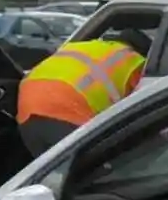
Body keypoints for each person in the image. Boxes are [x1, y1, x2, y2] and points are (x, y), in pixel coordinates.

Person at [16, 28, 152, 157]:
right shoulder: (134, 61)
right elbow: (143, 105)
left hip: (27, 108)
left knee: (51, 174)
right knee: (90, 172)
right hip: (67, 112)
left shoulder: (80, 45)